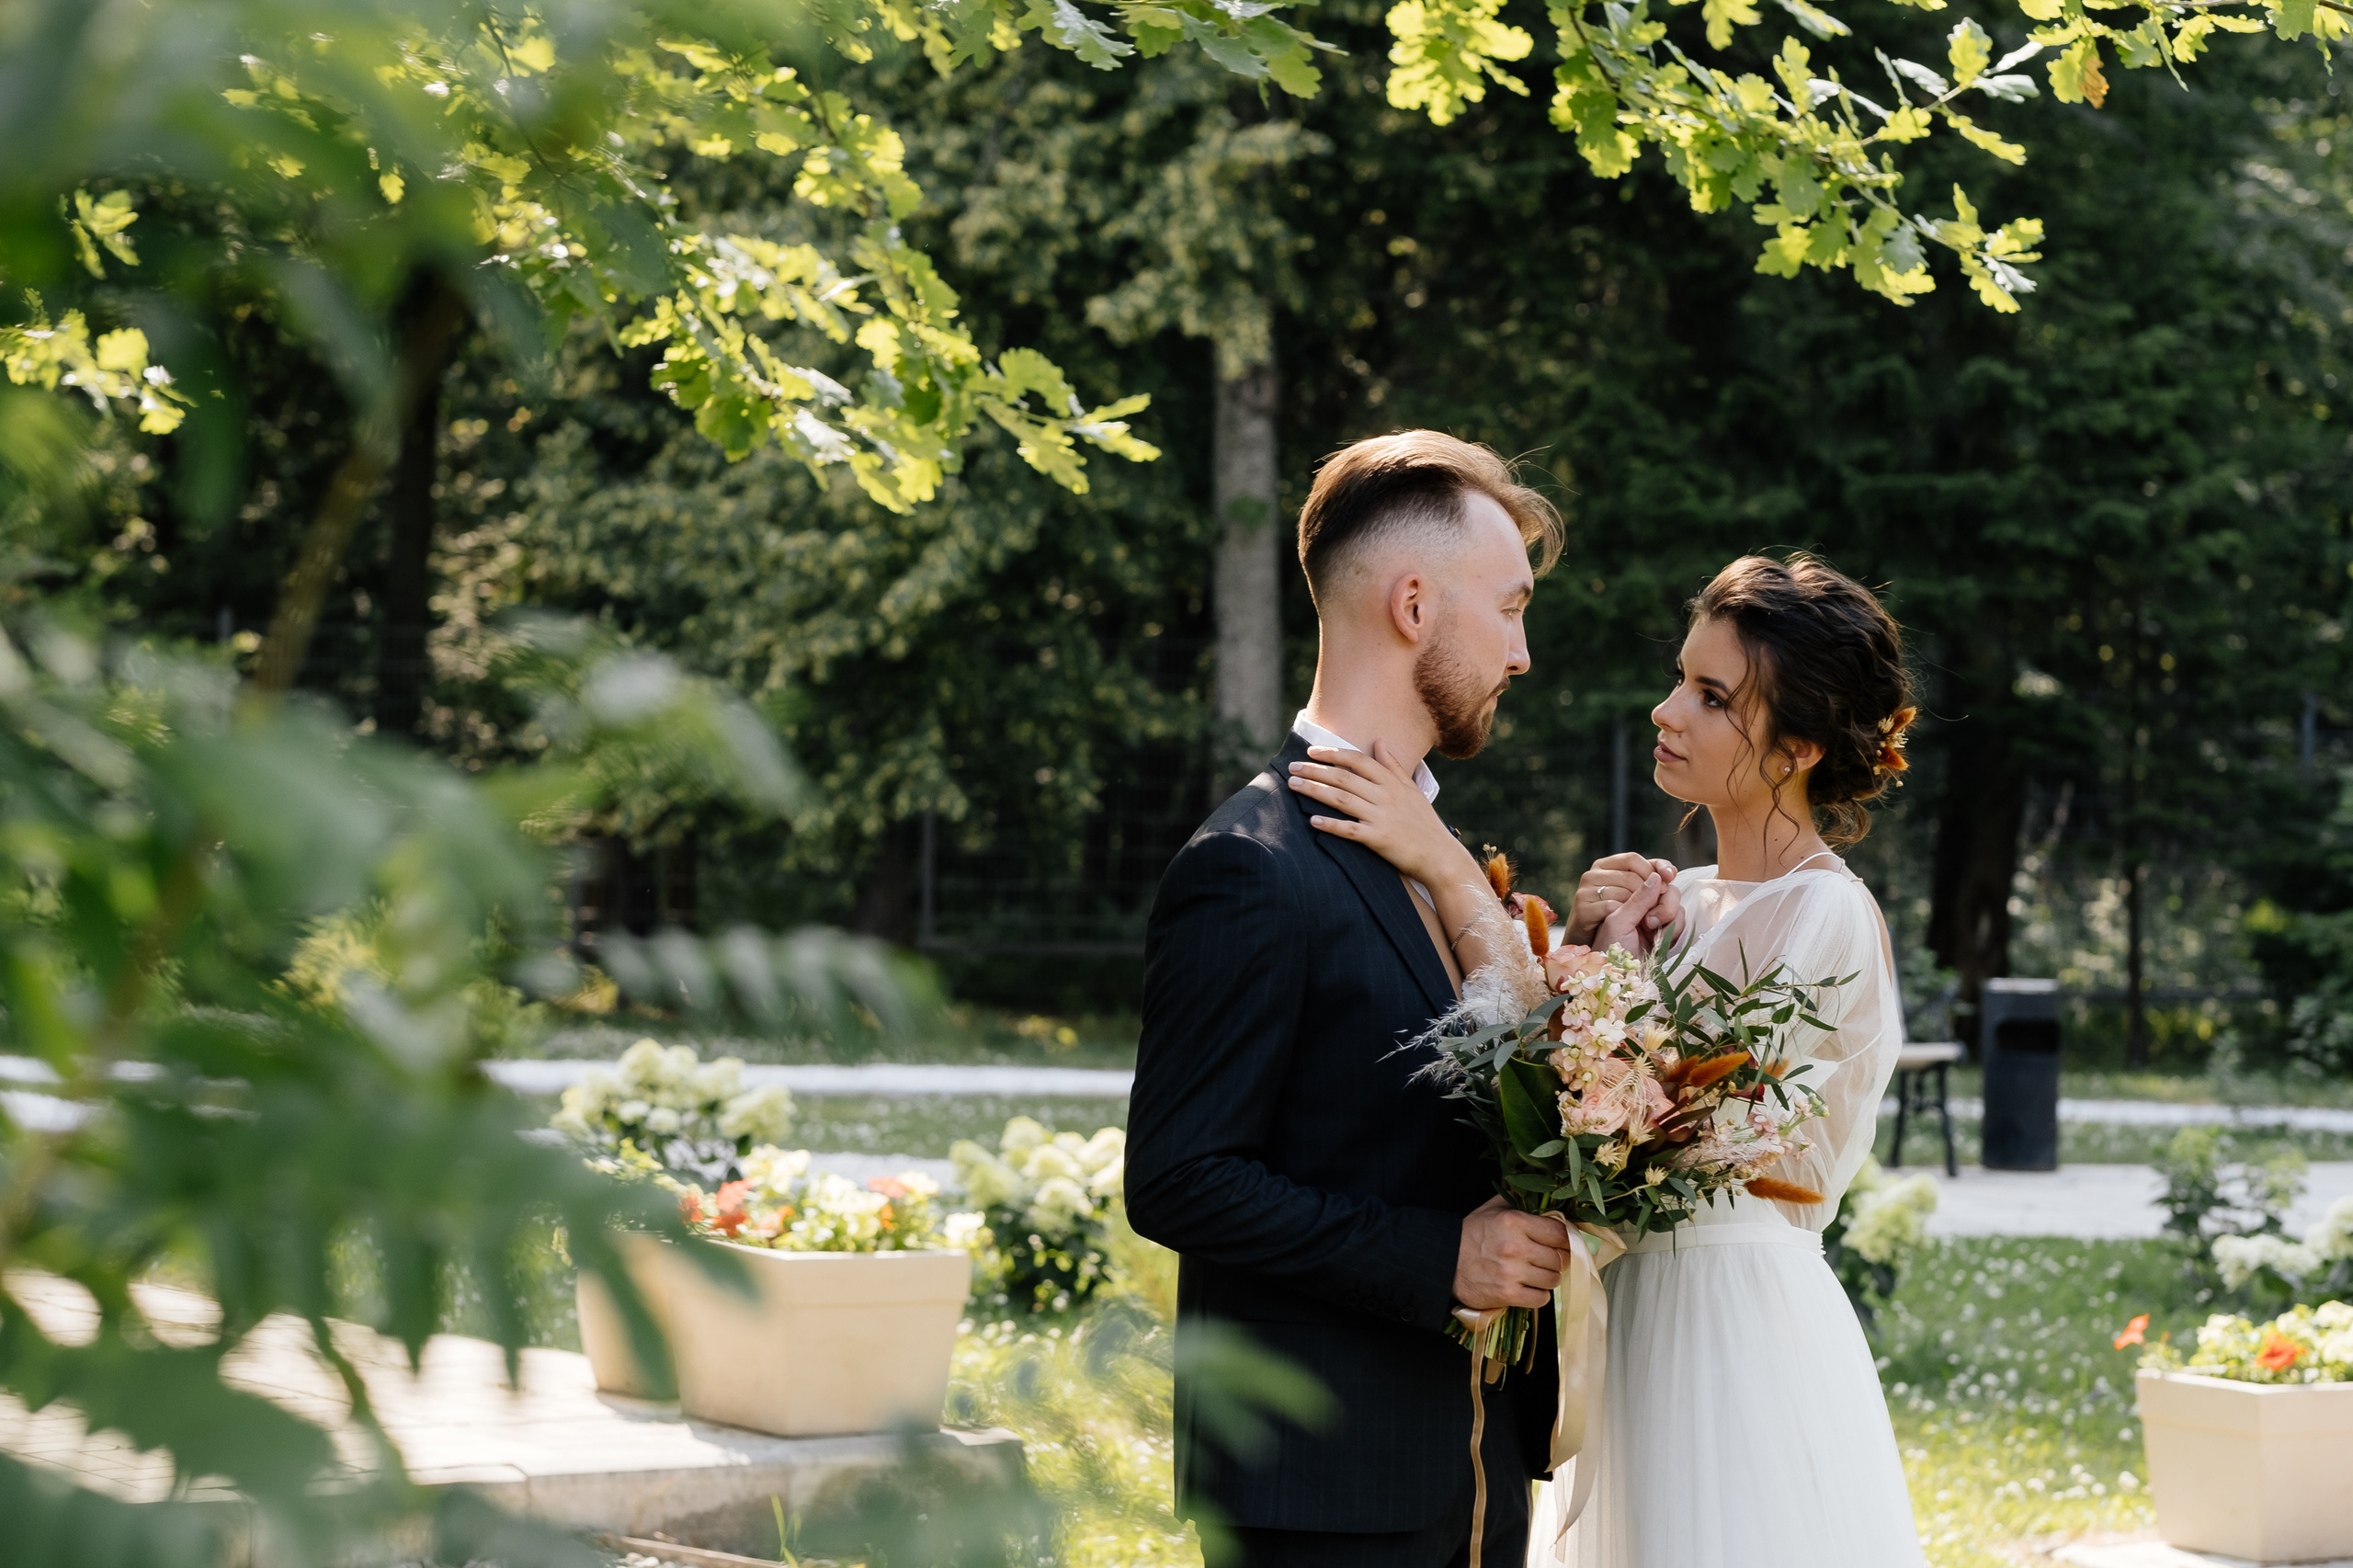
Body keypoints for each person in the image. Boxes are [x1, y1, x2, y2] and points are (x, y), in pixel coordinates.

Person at [1290, 552, 1925, 1568]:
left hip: (1728, 1330)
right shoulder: (1682, 895)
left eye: (1712, 697)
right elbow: (1592, 1096)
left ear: (1796, 746)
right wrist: (1580, 947)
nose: (1666, 709)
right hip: (1630, 1318)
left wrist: (1485, 901)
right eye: (1680, 674)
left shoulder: (1824, 911)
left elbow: (1644, 1145)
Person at [1126, 429, 1676, 1568]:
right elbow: (1179, 1177)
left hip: (1473, 1472)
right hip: (1323, 1490)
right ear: (1414, 605)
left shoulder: (1441, 856)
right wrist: (1440, 1261)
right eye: (1511, 607)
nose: (1523, 653)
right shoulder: (1251, 862)